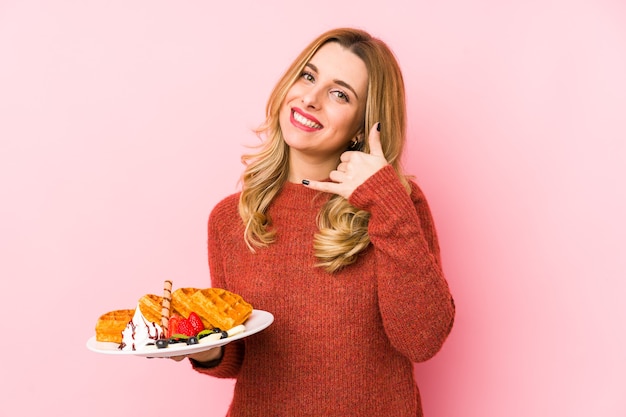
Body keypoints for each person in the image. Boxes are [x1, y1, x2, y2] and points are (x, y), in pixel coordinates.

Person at [180, 27, 455, 417]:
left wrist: (384, 200)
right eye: (308, 76)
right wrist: (206, 348)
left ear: (364, 124)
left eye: (339, 93)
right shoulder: (231, 217)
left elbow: (422, 339)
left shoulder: (396, 204)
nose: (310, 98)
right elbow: (241, 356)